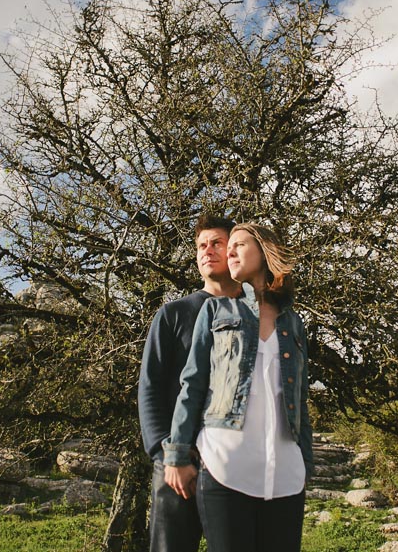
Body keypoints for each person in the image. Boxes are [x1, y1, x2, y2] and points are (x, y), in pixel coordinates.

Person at [163, 223, 313, 552]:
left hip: (285, 474)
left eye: (238, 245)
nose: (228, 252)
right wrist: (176, 455)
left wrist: (306, 462)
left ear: (264, 252)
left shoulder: (294, 322)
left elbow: (299, 399)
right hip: (226, 466)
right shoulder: (216, 311)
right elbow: (193, 383)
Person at [139, 215, 242, 552]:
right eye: (200, 245)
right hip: (176, 465)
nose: (206, 251)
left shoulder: (257, 316)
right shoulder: (173, 314)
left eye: (216, 243)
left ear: (235, 250)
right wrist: (165, 453)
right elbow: (150, 386)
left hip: (234, 464)